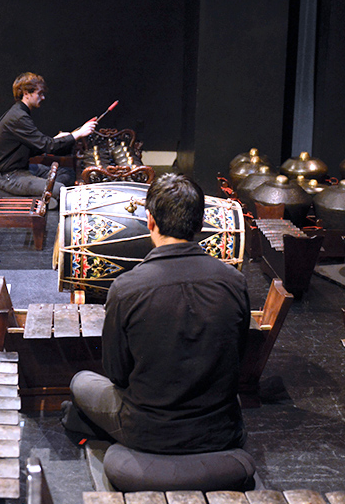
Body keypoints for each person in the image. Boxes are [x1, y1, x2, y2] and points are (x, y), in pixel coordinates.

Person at [64, 173, 250, 454]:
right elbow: (237, 357)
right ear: (202, 223)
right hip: (220, 429)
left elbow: (117, 374)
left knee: (82, 381)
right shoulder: (235, 282)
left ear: (150, 220)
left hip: (149, 432)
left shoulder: (126, 288)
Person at [0, 72, 96, 199]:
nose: (43, 97)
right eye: (39, 93)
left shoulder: (20, 113)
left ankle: (45, 198)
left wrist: (56, 140)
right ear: (26, 93)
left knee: (67, 173)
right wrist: (78, 133)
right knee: (59, 190)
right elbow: (48, 146)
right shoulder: (18, 117)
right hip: (8, 177)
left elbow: (36, 147)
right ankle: (43, 201)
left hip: (22, 170)